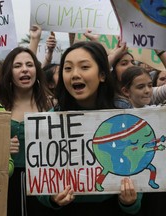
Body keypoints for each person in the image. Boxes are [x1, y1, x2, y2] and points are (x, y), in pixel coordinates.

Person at [37, 41, 142, 215]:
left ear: (102, 75)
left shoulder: (123, 113)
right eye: (68, 68)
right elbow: (41, 176)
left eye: (84, 67)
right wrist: (52, 197)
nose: (75, 74)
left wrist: (130, 201)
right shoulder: (52, 118)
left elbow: (138, 173)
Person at [0, 46, 54, 216]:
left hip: (44, 181)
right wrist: (0, 149)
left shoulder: (52, 105)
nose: (24, 69)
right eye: (17, 66)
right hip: (7, 183)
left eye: (29, 64)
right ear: (8, 72)